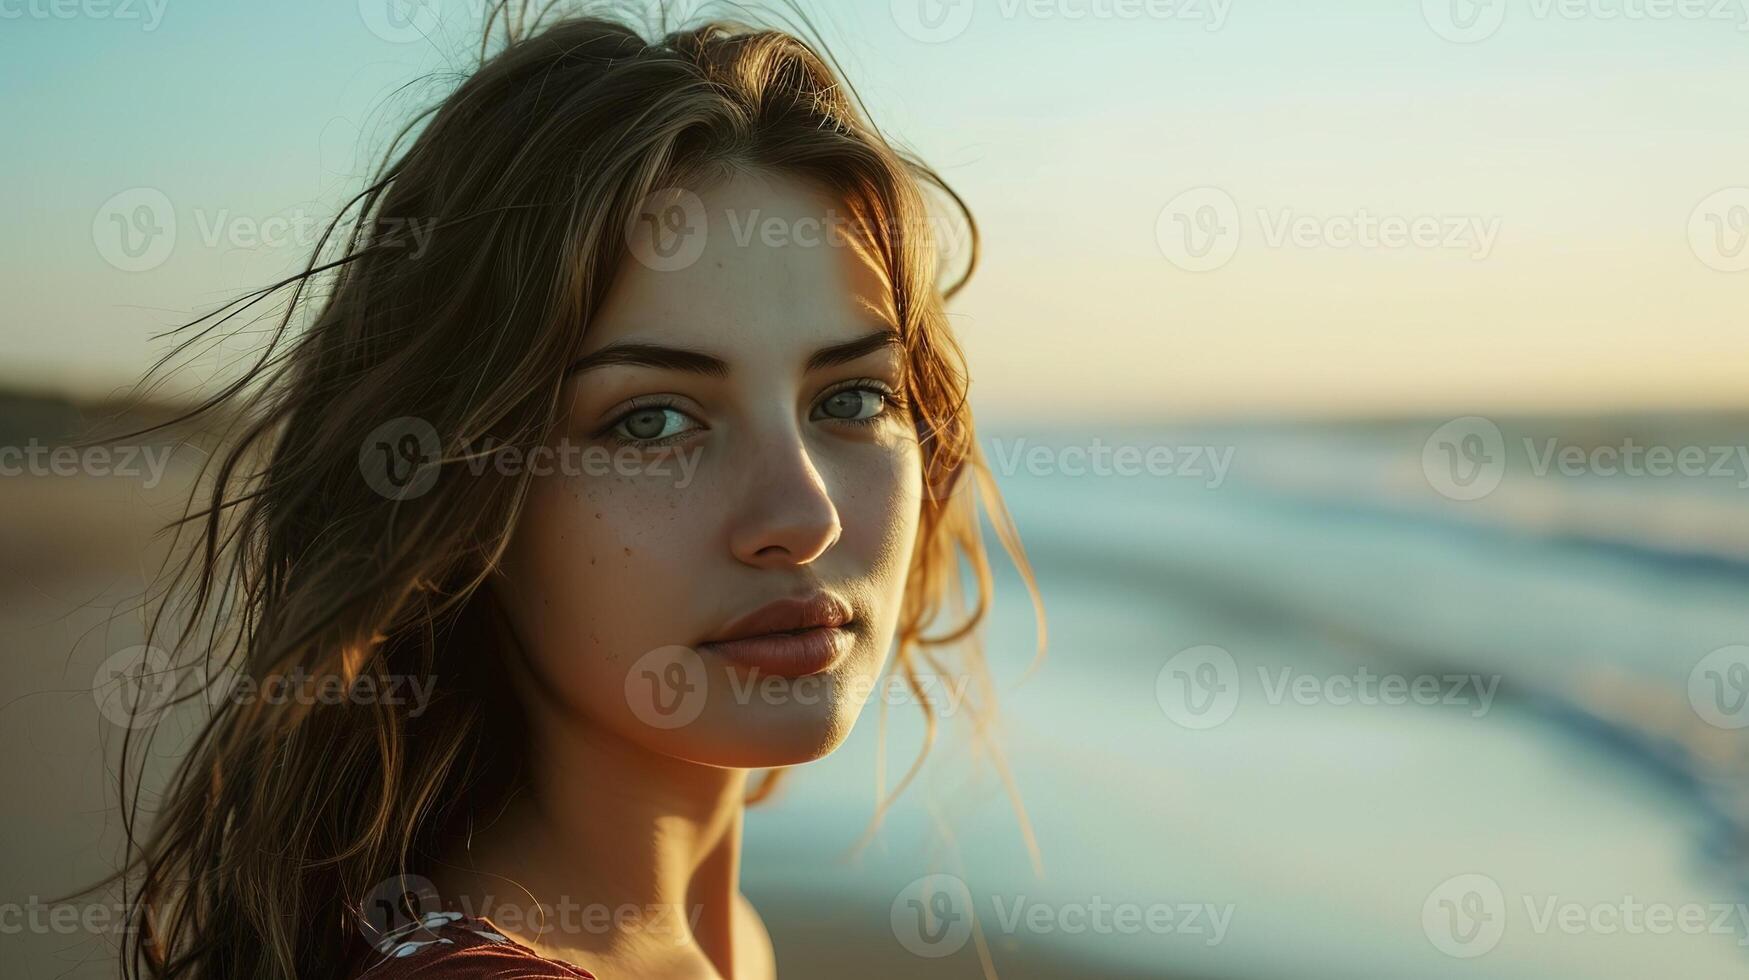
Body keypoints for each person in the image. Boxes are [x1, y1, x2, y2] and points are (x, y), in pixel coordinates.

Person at [105, 5, 1042, 978]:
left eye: (852, 396)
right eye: (653, 421)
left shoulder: (714, 942)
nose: (803, 517)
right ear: (466, 502)